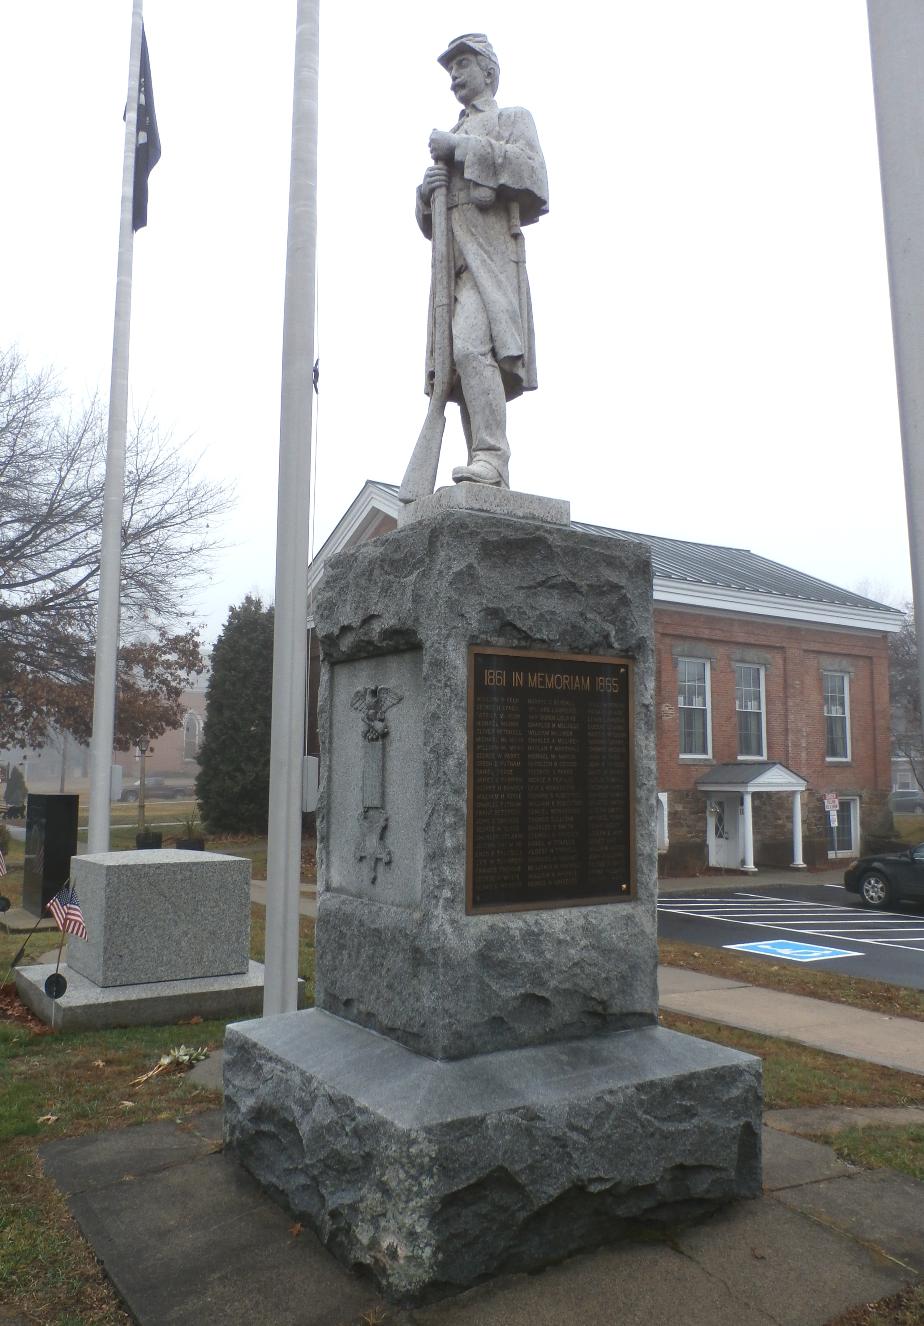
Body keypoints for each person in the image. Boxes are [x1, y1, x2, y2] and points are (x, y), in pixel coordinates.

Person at [417, 34, 548, 488]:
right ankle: (482, 460)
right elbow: (428, 218)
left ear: (488, 71)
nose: (454, 75)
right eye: (451, 68)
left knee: (472, 347)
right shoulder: (450, 134)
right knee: (457, 362)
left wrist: (461, 152)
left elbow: (533, 177)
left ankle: (493, 456)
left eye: (463, 64)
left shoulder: (511, 120)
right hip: (450, 262)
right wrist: (427, 190)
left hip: (489, 257)